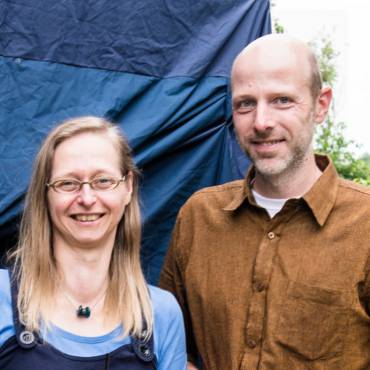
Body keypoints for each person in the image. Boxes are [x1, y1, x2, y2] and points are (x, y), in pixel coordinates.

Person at [159, 34, 370, 370]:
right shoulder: (199, 217)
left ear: (321, 104)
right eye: (245, 103)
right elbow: (169, 345)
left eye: (282, 100)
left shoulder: (365, 223)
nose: (261, 122)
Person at [0, 116, 187, 370]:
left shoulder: (162, 315)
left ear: (128, 187)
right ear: (45, 194)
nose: (87, 198)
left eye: (103, 181)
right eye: (68, 183)